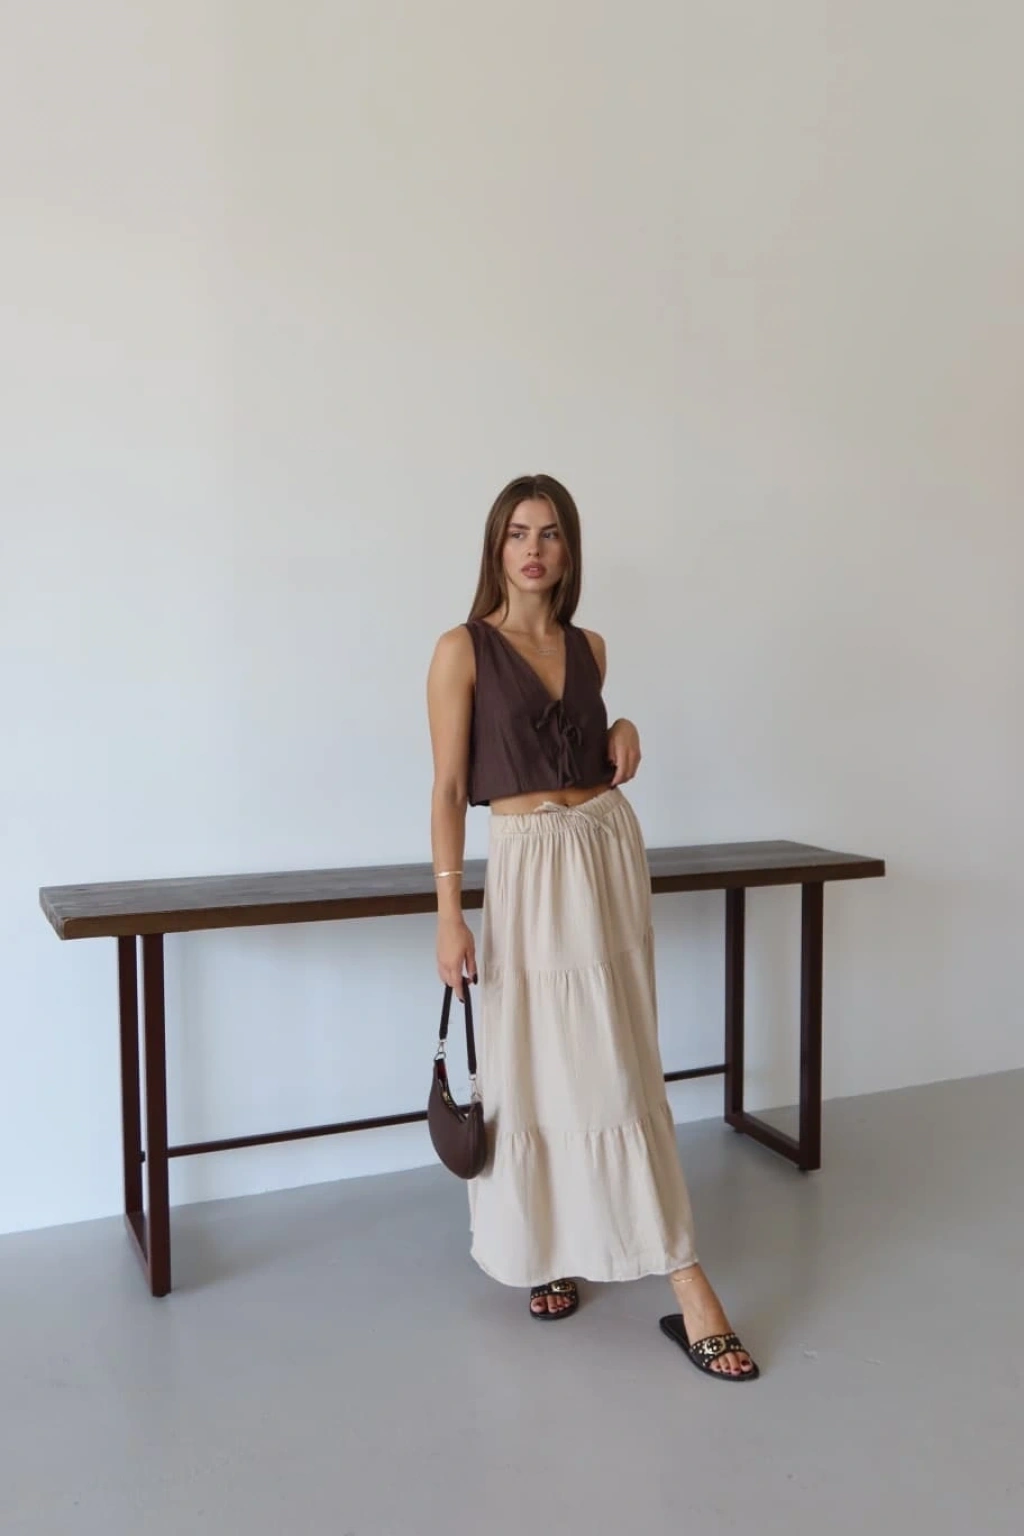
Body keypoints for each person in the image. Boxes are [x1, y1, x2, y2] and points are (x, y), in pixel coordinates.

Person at [426, 474, 758, 1381]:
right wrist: (449, 911)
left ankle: (679, 1267)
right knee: (538, 1063)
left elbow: (583, 738)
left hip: (606, 852)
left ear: (569, 550)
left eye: (550, 534)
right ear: (496, 547)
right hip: (527, 868)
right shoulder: (461, 649)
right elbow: (449, 790)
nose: (533, 549)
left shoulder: (590, 647)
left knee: (619, 1059)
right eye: (517, 533)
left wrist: (625, 722)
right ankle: (557, 1247)